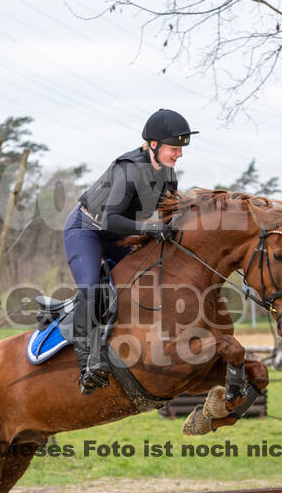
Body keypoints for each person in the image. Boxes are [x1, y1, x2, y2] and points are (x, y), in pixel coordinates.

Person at [63, 109, 198, 395]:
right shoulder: (129, 169)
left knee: (145, 281)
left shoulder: (168, 173)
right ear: (153, 145)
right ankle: (87, 364)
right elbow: (111, 218)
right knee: (93, 289)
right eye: (175, 148)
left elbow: (170, 215)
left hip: (118, 235)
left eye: (181, 149)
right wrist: (150, 230)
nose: (179, 155)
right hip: (86, 230)